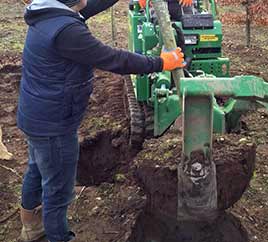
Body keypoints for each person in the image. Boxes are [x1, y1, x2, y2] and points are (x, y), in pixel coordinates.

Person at [17, 0, 185, 241]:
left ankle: (30, 224)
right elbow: (112, 59)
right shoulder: (67, 31)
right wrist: (160, 63)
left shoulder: (48, 13)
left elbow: (93, 4)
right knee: (58, 189)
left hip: (37, 114)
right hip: (54, 123)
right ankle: (56, 236)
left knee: (37, 167)